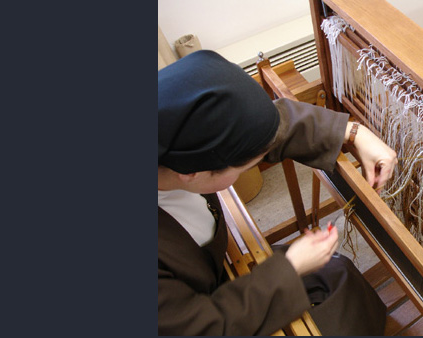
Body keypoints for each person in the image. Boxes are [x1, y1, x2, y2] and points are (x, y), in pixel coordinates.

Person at [158, 50, 396, 335]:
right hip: (199, 320)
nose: (253, 166)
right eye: (248, 166)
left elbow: (262, 126)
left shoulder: (168, 136)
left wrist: (354, 132)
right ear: (191, 173)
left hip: (207, 282)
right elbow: (201, 328)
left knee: (338, 274)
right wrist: (290, 268)